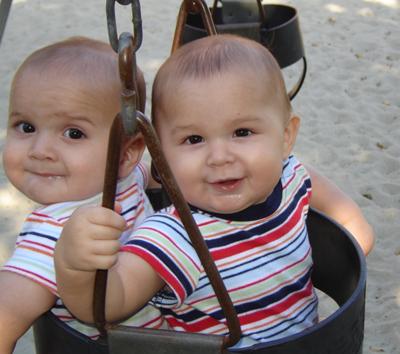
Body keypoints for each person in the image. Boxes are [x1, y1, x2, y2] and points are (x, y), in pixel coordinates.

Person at [55, 34, 374, 348]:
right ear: (162, 155)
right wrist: (74, 266)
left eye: (242, 132)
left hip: (308, 339)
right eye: (194, 139)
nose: (220, 157)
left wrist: (353, 241)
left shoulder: (292, 176)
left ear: (286, 137)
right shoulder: (173, 236)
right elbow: (106, 304)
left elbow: (347, 218)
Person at [0, 36, 164, 354]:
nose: (40, 150)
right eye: (26, 127)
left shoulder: (121, 182)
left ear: (126, 154)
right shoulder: (123, 180)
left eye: (73, 133)